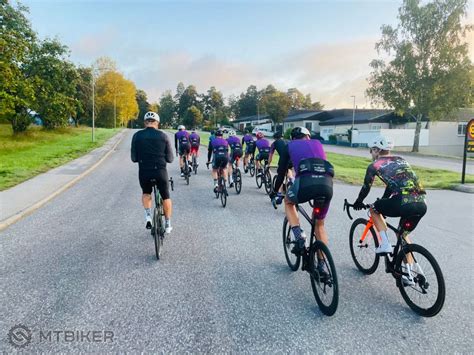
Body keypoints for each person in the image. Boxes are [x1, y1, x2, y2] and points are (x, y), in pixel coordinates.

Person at [272, 127, 334, 274]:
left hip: (305, 183)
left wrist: (275, 191)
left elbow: (281, 173)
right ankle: (322, 265)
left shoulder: (290, 146)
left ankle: (298, 236)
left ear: (293, 138)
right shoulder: (317, 143)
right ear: (308, 137)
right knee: (319, 225)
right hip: (326, 184)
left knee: (289, 201)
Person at [353, 136, 427, 259]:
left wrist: (358, 202)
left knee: (374, 209)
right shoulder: (402, 160)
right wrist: (384, 200)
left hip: (403, 202)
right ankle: (410, 275)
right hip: (421, 202)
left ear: (376, 150)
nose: (370, 153)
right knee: (402, 235)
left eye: (371, 150)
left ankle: (385, 244)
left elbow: (366, 186)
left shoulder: (375, 165)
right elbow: (392, 184)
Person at [131, 111, 174, 233]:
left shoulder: (137, 136)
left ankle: (148, 216)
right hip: (160, 172)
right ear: (157, 123)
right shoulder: (164, 136)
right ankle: (167, 224)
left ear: (145, 123)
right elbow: (170, 159)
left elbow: (133, 158)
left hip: (144, 171)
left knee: (146, 193)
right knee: (166, 196)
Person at [269, 131, 294, 204]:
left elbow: (271, 155)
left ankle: (278, 193)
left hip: (284, 160)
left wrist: (268, 164)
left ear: (275, 138)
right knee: (288, 170)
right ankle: (292, 180)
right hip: (292, 159)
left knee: (280, 176)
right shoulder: (287, 141)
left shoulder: (274, 143)